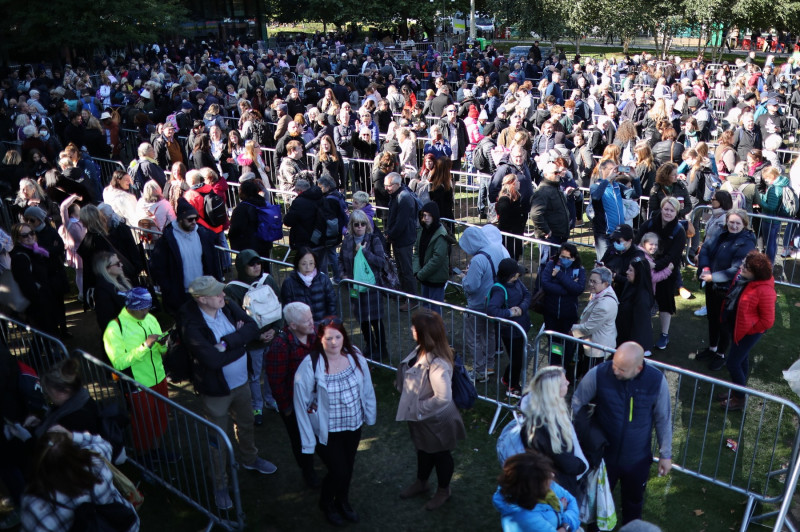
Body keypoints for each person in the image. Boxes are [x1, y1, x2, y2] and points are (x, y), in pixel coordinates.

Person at [179, 276, 277, 510]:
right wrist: (240, 343)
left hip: (242, 384)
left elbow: (253, 327)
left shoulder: (227, 305)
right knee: (218, 440)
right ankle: (220, 484)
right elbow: (211, 360)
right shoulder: (191, 324)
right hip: (216, 392)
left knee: (246, 423)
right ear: (202, 299)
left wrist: (226, 343)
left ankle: (249, 459)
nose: (223, 296)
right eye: (216, 294)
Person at [572, 342, 672, 525]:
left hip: (637, 460)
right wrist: (587, 435)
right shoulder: (599, 373)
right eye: (614, 365)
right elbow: (578, 403)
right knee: (597, 503)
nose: (616, 371)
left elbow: (663, 418)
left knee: (633, 505)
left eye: (622, 369)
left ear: (639, 367)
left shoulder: (656, 381)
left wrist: (666, 454)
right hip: (603, 458)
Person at [293, 317, 377, 526]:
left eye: (338, 337)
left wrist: (369, 413)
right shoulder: (310, 364)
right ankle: (326, 503)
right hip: (326, 430)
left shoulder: (355, 355)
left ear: (344, 337)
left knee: (347, 467)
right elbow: (300, 403)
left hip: (352, 425)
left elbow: (366, 386)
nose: (333, 342)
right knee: (338, 470)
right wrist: (307, 440)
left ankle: (343, 502)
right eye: (328, 338)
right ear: (320, 338)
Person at [396, 309, 466, 510]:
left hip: (435, 419)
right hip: (424, 418)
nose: (411, 329)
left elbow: (443, 397)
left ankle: (443, 490)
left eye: (414, 326)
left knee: (441, 455)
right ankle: (422, 482)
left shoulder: (438, 363)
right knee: (423, 449)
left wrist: (417, 408)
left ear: (423, 333)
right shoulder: (423, 349)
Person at [20, 429, 139, 532]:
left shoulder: (34, 504)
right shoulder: (96, 464)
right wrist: (71, 436)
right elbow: (103, 443)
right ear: (72, 450)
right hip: (122, 526)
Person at [103, 287, 171, 457]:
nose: (146, 311)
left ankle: (157, 451)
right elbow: (118, 363)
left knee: (160, 418)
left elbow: (160, 352)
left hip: (159, 379)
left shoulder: (150, 318)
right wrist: (144, 346)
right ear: (131, 306)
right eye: (142, 308)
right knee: (143, 424)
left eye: (148, 307)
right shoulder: (114, 328)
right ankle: (144, 458)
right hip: (138, 385)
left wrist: (163, 345)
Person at [265, 302, 320, 488]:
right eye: (307, 321)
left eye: (311, 317)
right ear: (293, 326)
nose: (312, 323)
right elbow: (276, 380)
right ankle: (308, 472)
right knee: (299, 439)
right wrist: (286, 408)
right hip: (293, 403)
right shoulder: (280, 346)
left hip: (315, 397)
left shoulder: (316, 335)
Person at [224, 250, 282, 423]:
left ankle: (270, 400)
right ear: (242, 267)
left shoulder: (268, 280)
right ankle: (257, 407)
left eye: (258, 262)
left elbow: (279, 305)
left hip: (272, 337)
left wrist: (276, 330)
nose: (257, 267)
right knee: (254, 376)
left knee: (272, 371)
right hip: (252, 344)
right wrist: (256, 336)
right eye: (251, 264)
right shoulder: (232, 289)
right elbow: (235, 319)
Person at [696, 209, 757, 370]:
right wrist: (705, 268)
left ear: (744, 224)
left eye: (738, 223)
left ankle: (721, 354)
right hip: (712, 284)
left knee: (724, 323)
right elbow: (706, 250)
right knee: (712, 318)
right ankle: (712, 348)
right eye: (731, 222)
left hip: (728, 289)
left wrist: (713, 277)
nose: (734, 226)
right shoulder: (720, 233)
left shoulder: (747, 242)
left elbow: (736, 269)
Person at [716, 251, 776, 410]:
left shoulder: (765, 290)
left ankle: (739, 399)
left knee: (732, 363)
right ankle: (737, 390)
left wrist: (749, 329)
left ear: (755, 273)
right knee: (741, 359)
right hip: (740, 329)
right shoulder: (747, 280)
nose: (741, 267)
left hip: (748, 332)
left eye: (745, 267)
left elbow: (768, 321)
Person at [519, 366, 588, 498]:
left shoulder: (534, 410)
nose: (568, 382)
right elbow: (566, 463)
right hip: (556, 488)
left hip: (543, 480)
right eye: (563, 382)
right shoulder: (548, 426)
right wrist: (583, 465)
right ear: (553, 392)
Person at [149, 198, 222, 314]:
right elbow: (158, 267)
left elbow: (212, 261)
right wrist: (168, 289)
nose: (194, 222)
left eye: (196, 218)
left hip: (204, 290)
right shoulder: (167, 240)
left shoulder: (203, 234)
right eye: (190, 219)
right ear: (180, 219)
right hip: (181, 293)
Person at [459, 225, 510, 382]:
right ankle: (489, 365)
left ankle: (480, 371)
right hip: (493, 301)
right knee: (490, 334)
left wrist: (463, 278)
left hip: (478, 304)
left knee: (474, 337)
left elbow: (471, 285)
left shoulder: (477, 260)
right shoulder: (495, 248)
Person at [636, 197, 686, 351]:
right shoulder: (650, 223)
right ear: (661, 208)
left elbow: (674, 255)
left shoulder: (679, 231)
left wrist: (656, 265)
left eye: (672, 210)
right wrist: (645, 262)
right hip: (646, 268)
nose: (668, 213)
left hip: (666, 270)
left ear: (676, 212)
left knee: (665, 302)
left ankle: (664, 334)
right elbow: (637, 242)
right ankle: (644, 332)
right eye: (666, 209)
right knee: (643, 301)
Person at [338, 210, 388, 359]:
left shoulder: (374, 240)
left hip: (372, 287)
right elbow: (340, 261)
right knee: (362, 319)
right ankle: (370, 345)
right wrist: (343, 276)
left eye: (363, 224)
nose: (360, 227)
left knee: (376, 319)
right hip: (355, 287)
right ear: (352, 226)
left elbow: (381, 262)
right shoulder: (347, 241)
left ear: (367, 225)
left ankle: (382, 348)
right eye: (356, 224)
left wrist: (364, 252)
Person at [492, 451, 581, 532]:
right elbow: (572, 508)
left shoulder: (545, 484)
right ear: (533, 488)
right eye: (546, 476)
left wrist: (564, 525)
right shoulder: (526, 518)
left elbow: (571, 500)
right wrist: (566, 523)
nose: (552, 475)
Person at [486, 258, 533, 395]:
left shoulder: (516, 282)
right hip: (510, 332)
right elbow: (492, 310)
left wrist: (521, 309)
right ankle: (513, 388)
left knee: (517, 359)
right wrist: (510, 313)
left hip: (520, 328)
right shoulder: (499, 290)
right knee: (517, 360)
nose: (519, 274)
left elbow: (527, 295)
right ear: (511, 276)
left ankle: (506, 379)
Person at [540, 243, 586, 366]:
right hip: (551, 313)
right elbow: (546, 284)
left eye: (567, 257)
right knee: (554, 342)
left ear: (574, 258)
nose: (564, 260)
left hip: (569, 315)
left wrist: (559, 276)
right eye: (562, 256)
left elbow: (578, 289)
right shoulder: (551, 265)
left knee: (568, 343)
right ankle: (554, 364)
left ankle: (566, 366)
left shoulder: (579, 270)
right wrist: (568, 288)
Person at [10, 223, 57, 334]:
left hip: (46, 298)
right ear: (18, 238)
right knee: (45, 333)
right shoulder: (20, 256)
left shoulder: (36, 251)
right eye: (25, 235)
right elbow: (26, 283)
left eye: (31, 233)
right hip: (37, 304)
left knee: (43, 336)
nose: (30, 237)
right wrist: (39, 299)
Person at [571, 267, 619, 374]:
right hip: (595, 344)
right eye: (590, 280)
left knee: (592, 377)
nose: (590, 284)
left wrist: (571, 330)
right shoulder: (602, 292)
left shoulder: (604, 304)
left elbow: (588, 328)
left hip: (597, 349)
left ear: (605, 284)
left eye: (594, 282)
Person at [384, 172, 418, 307]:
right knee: (401, 269)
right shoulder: (396, 195)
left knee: (406, 270)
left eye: (389, 185)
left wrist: (390, 235)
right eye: (385, 185)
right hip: (398, 238)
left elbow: (401, 223)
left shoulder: (404, 198)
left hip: (403, 239)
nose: (386, 188)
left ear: (397, 184)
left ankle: (413, 300)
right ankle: (405, 295)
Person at [280, 247, 337, 323]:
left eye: (311, 263)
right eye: (304, 264)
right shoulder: (289, 283)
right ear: (297, 264)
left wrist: (330, 323)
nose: (308, 267)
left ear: (315, 263)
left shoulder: (324, 279)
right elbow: (287, 309)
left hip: (322, 326)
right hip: (300, 328)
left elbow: (332, 303)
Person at [413, 202, 450, 314]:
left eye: (429, 215)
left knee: (434, 312)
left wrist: (420, 274)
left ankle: (437, 332)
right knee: (425, 310)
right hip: (424, 278)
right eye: (424, 215)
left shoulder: (441, 234)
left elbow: (437, 259)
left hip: (435, 279)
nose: (426, 218)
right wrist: (416, 271)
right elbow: (416, 252)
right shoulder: (422, 231)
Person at [616, 257, 655, 354]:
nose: (627, 272)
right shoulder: (631, 284)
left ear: (639, 274)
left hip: (633, 346)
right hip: (624, 337)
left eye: (630, 270)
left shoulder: (642, 296)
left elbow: (640, 325)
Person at [228, 180, 275, 259]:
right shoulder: (264, 203)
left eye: (240, 190)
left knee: (251, 269)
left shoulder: (241, 208)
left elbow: (235, 229)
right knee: (265, 269)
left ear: (244, 192)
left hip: (248, 247)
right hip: (264, 244)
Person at [92, 251, 133, 334]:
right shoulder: (102, 291)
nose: (121, 265)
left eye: (120, 262)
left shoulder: (121, 281)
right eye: (117, 263)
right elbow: (106, 321)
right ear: (107, 269)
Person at [600, 223, 646, 297]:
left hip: (628, 295)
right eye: (614, 240)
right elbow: (603, 262)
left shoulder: (637, 255)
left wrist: (614, 276)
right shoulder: (612, 249)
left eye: (619, 241)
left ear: (630, 241)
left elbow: (636, 281)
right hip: (608, 292)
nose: (615, 243)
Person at [495, 175, 528, 260]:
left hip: (517, 233)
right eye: (517, 181)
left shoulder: (516, 196)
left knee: (515, 256)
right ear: (512, 184)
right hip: (509, 236)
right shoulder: (504, 200)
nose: (519, 183)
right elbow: (503, 221)